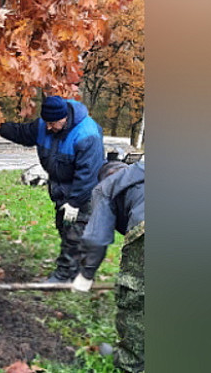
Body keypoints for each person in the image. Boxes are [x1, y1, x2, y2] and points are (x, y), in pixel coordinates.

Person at [0, 95, 104, 283]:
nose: (49, 127)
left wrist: (74, 203)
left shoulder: (86, 134)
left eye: (54, 123)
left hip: (85, 192)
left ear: (65, 118)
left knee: (75, 234)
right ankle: (79, 270)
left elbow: (89, 175)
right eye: (47, 123)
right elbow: (21, 132)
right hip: (61, 188)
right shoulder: (44, 125)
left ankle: (64, 276)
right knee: (64, 228)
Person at [73, 160, 145, 373]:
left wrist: (86, 275)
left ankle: (131, 363)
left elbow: (96, 239)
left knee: (134, 296)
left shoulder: (106, 186)